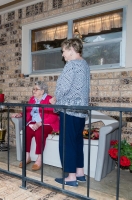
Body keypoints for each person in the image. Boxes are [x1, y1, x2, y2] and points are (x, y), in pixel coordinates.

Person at [49, 38, 90, 187]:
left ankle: (71, 177)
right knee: (78, 142)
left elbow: (64, 88)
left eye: (64, 51)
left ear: (72, 49)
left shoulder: (71, 65)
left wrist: (55, 98)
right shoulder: (84, 65)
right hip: (81, 112)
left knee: (67, 144)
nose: (63, 55)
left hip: (69, 111)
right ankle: (80, 173)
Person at [12, 81, 59, 171]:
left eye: (36, 89)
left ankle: (39, 158)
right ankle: (27, 156)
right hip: (34, 122)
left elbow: (53, 117)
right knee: (26, 131)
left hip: (46, 123)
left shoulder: (49, 99)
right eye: (33, 89)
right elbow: (28, 111)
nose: (34, 91)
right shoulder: (32, 99)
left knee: (39, 132)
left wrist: (40, 123)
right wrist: (20, 114)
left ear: (42, 91)